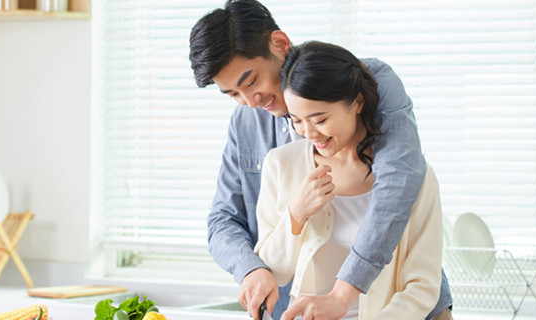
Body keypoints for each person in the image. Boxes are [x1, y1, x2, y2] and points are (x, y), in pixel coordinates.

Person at [188, 1, 452, 319]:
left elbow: (400, 180)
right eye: (232, 94)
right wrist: (250, 268)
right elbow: (224, 219)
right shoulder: (255, 134)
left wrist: (343, 293)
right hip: (304, 307)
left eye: (251, 82)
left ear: (280, 44)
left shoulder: (368, 81)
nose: (249, 102)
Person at [255, 40, 445, 320]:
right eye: (296, 121)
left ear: (357, 102)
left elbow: (423, 287)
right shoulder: (281, 165)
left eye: (319, 120)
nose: (308, 133)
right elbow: (275, 272)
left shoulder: (415, 177)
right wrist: (295, 216)